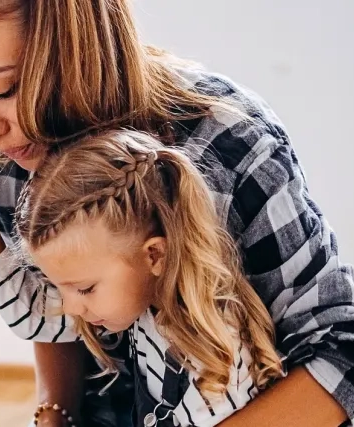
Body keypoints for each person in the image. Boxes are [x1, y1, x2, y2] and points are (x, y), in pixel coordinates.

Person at [0, 1, 354, 426]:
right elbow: (50, 308)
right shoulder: (11, 153)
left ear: (79, 48)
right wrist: (56, 413)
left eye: (5, 88)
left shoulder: (228, 142)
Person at [16, 129, 284, 426]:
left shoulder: (215, 356)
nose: (69, 307)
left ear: (154, 255)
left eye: (84, 288)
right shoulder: (147, 309)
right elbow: (28, 315)